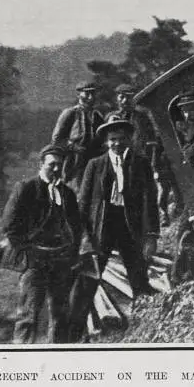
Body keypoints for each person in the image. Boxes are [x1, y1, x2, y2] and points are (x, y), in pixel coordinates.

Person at [68, 116, 159, 342]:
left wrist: (151, 236)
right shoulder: (95, 165)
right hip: (102, 227)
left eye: (121, 139)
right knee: (88, 280)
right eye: (112, 140)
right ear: (106, 142)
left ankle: (144, 324)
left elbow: (150, 202)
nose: (116, 143)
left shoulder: (140, 163)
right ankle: (73, 333)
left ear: (129, 139)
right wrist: (83, 237)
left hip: (130, 228)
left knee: (139, 276)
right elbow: (83, 203)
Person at [0, 145, 82, 344]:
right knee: (28, 314)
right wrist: (27, 252)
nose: (56, 169)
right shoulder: (26, 188)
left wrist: (71, 254)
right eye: (52, 164)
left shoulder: (67, 194)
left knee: (60, 314)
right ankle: (22, 357)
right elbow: (9, 226)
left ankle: (58, 356)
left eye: (59, 166)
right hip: (34, 260)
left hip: (60, 260)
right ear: (41, 164)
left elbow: (77, 228)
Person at [107, 83, 177, 226]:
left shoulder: (143, 116)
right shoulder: (112, 118)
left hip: (144, 158)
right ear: (117, 99)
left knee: (153, 188)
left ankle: (160, 214)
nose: (125, 101)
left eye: (128, 97)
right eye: (122, 97)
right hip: (120, 161)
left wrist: (153, 159)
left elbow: (155, 137)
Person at [51, 81, 105, 191]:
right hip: (74, 163)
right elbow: (56, 139)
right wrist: (73, 147)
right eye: (87, 93)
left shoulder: (98, 116)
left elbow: (102, 138)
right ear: (78, 95)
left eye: (93, 94)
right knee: (75, 192)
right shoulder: (70, 113)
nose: (90, 97)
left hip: (94, 162)